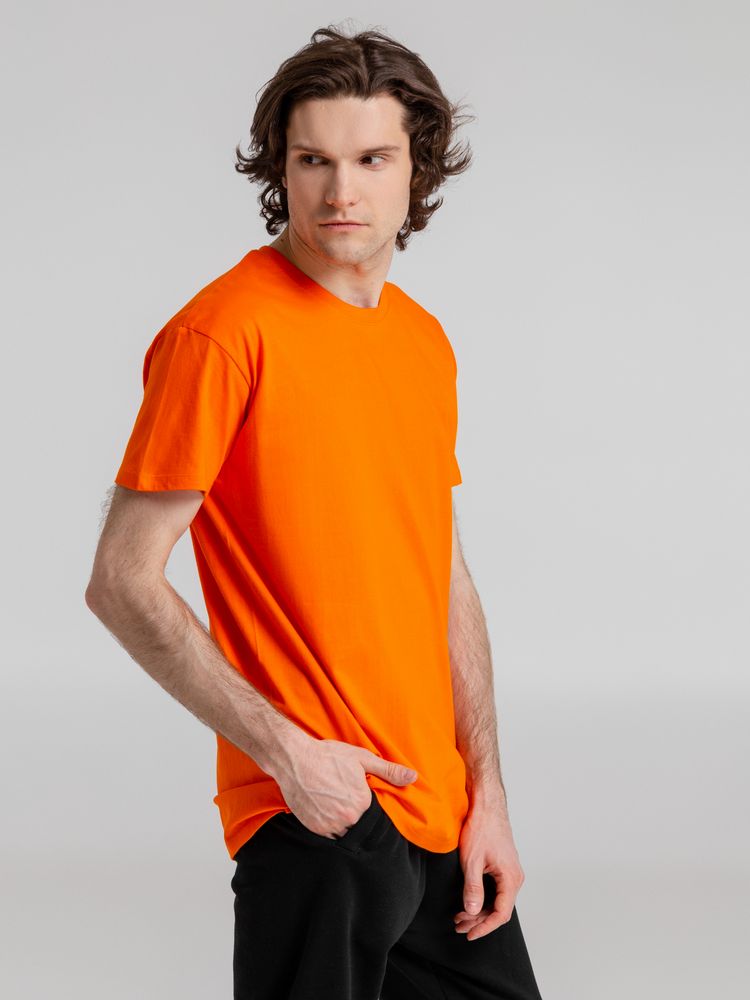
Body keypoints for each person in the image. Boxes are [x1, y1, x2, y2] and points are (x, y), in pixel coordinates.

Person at [85, 23, 544, 1000]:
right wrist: (291, 756)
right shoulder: (222, 335)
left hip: (439, 816)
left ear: (417, 168)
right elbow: (121, 580)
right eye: (313, 161)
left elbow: (442, 575)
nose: (342, 192)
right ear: (280, 169)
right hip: (316, 815)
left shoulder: (422, 343)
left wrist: (488, 793)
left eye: (372, 159)